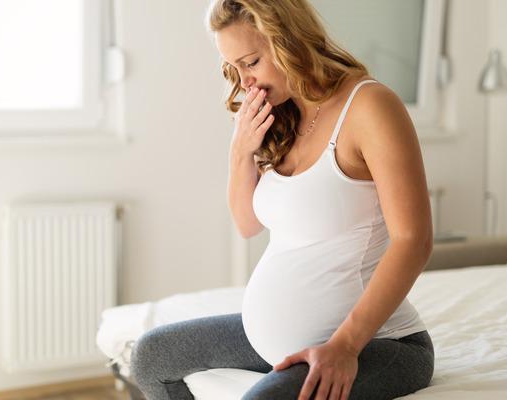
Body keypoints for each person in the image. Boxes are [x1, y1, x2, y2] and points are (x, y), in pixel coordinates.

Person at [129, 0, 435, 399]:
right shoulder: (284, 115)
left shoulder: (370, 107)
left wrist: (344, 346)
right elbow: (247, 224)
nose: (245, 82)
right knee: (154, 355)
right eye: (234, 68)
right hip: (279, 341)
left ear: (289, 40)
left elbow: (414, 240)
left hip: (375, 344)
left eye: (251, 62)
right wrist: (240, 151)